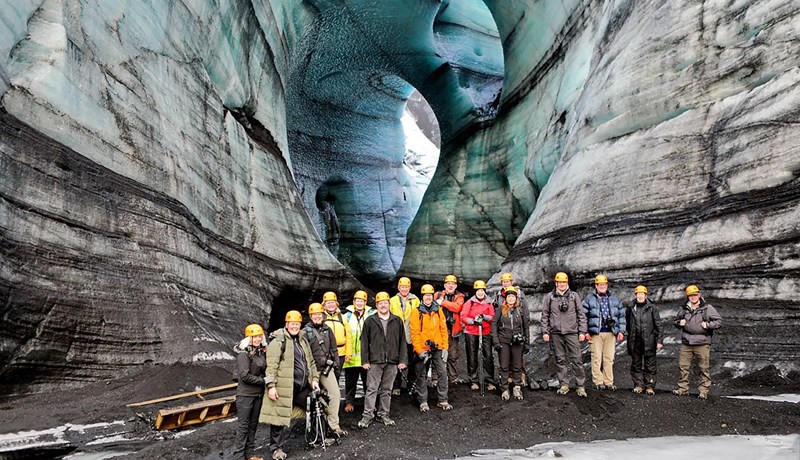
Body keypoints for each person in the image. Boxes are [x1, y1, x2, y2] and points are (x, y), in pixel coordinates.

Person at [259, 311, 320, 460]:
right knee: (278, 417)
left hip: (301, 387)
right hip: (284, 387)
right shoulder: (279, 341)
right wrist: (271, 386)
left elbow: (310, 362)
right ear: (286, 324)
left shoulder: (302, 340)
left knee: (316, 406)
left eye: (297, 324)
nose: (295, 326)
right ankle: (276, 449)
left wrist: (314, 379)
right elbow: (271, 365)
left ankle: (315, 438)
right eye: (292, 324)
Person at [357, 292, 408, 428]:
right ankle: (367, 416)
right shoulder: (370, 321)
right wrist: (365, 361)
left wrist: (402, 360)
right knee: (372, 389)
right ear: (377, 305)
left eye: (385, 302)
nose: (383, 305)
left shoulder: (397, 321)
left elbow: (403, 342)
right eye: (381, 303)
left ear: (389, 304)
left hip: (392, 361)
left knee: (387, 390)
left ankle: (383, 414)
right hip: (375, 361)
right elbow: (364, 342)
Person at [540, 272, 589, 397]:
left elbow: (581, 315)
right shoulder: (550, 297)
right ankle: (564, 384)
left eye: (564, 282)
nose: (562, 284)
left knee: (576, 359)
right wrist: (545, 331)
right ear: (556, 283)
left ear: (567, 283)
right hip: (556, 333)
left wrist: (582, 331)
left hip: (572, 332)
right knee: (560, 359)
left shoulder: (574, 296)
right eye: (559, 282)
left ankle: (580, 385)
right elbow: (545, 315)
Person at [303, 303, 347, 437]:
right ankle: (314, 427)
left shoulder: (327, 330)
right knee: (314, 398)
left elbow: (334, 348)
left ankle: (333, 425)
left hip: (326, 369)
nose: (317, 316)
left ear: (323, 315)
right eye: (314, 314)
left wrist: (336, 365)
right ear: (310, 316)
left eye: (319, 314)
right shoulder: (305, 332)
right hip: (312, 370)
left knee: (335, 395)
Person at [673, 285, 722, 400]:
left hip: (702, 342)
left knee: (704, 368)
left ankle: (703, 391)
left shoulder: (707, 308)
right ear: (688, 296)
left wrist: (708, 325)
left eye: (695, 295)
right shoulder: (683, 308)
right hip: (687, 342)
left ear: (699, 295)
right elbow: (675, 321)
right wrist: (679, 323)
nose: (693, 297)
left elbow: (719, 321)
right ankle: (683, 389)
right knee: (683, 366)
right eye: (691, 295)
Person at [410, 284, 452, 411]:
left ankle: (443, 400)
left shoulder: (438, 310)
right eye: (426, 295)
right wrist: (419, 350)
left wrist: (445, 346)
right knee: (421, 374)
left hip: (437, 347)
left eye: (430, 295)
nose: (428, 298)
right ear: (422, 296)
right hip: (423, 349)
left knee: (442, 373)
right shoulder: (416, 312)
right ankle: (423, 401)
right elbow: (414, 333)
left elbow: (443, 329)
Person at [582, 274, 626, 391]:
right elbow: (582, 316)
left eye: (604, 284)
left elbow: (621, 315)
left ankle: (608, 382)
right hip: (595, 333)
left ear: (607, 285)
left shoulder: (614, 299)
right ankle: (598, 382)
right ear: (596, 285)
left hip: (611, 332)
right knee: (596, 358)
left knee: (609, 358)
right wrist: (585, 331)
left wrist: (621, 330)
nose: (602, 286)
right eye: (600, 284)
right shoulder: (589, 299)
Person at [233, 324, 267, 460]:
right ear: (249, 338)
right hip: (245, 395)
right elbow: (244, 376)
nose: (258, 339)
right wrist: (264, 381)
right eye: (255, 337)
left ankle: (249, 455)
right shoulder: (243, 354)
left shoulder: (261, 353)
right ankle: (239, 456)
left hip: (258, 395)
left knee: (253, 425)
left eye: (260, 336)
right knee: (243, 426)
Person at [491, 287, 529, 400]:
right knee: (504, 366)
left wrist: (527, 342)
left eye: (513, 296)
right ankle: (504, 389)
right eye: (509, 296)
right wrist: (496, 341)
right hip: (504, 341)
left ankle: (517, 387)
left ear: (516, 298)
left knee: (517, 366)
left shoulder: (520, 310)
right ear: (505, 298)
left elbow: (525, 326)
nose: (511, 298)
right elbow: (494, 325)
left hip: (517, 342)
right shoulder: (500, 310)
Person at [626, 285, 662, 395]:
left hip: (649, 340)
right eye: (638, 294)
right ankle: (638, 385)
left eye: (642, 294)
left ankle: (649, 386)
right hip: (635, 340)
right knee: (636, 363)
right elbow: (628, 323)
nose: (640, 296)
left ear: (646, 295)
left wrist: (659, 340)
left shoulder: (652, 308)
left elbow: (658, 325)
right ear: (636, 295)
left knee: (650, 364)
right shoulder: (631, 307)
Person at [461, 280, 497, 392]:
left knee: (488, 356)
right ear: (475, 291)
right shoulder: (469, 303)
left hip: (485, 332)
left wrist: (484, 317)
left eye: (482, 290)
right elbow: (463, 317)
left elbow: (492, 317)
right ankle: (474, 380)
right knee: (472, 356)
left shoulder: (489, 303)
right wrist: (473, 321)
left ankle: (489, 380)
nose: (480, 293)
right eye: (478, 291)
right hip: (471, 332)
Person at [342, 290, 374, 413]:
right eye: (357, 301)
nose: (359, 303)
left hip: (366, 356)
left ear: (365, 302)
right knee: (350, 381)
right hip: (351, 356)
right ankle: (349, 402)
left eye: (362, 301)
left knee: (368, 381)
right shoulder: (347, 316)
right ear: (354, 302)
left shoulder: (371, 315)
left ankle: (370, 404)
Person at [390, 277, 420, 395]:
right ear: (398, 287)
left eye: (406, 287)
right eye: (402, 287)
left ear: (409, 288)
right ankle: (396, 385)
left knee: (412, 360)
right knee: (396, 359)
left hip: (410, 334)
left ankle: (410, 384)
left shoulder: (415, 300)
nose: (404, 289)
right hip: (396, 334)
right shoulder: (392, 300)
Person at [434, 275, 465, 385]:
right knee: (438, 354)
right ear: (444, 285)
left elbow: (457, 307)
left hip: (453, 330)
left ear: (456, 285)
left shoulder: (460, 296)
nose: (450, 286)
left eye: (453, 284)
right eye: (448, 284)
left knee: (453, 355)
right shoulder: (437, 295)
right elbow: (433, 307)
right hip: (439, 330)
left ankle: (453, 377)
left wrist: (443, 302)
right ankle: (436, 378)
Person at [321, 291, 352, 383]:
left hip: (340, 353)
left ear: (336, 304)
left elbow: (348, 336)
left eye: (333, 302)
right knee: (325, 376)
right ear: (324, 305)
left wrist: (348, 353)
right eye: (328, 302)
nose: (331, 305)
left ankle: (335, 396)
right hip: (325, 352)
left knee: (337, 375)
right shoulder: (321, 317)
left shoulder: (342, 317)